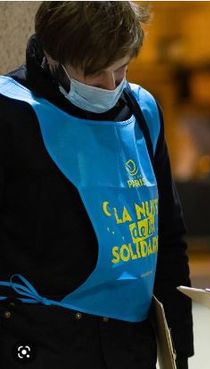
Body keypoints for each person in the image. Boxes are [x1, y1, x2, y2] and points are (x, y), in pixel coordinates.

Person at [0, 2, 193, 368]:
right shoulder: (10, 110)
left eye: (120, 69)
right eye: (93, 75)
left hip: (129, 341)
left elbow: (167, 236)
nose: (110, 86)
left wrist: (179, 345)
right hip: (37, 338)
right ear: (54, 57)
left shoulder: (142, 109)